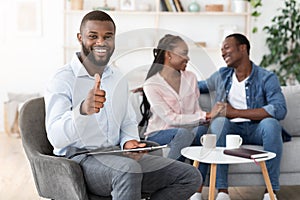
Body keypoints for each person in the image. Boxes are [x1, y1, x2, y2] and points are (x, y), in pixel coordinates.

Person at [44, 10, 202, 200]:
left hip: (117, 154)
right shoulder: (63, 79)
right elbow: (56, 139)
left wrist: (128, 142)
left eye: (107, 37)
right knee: (128, 170)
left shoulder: (117, 77)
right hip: (80, 159)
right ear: (80, 38)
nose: (101, 43)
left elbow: (127, 120)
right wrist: (82, 111)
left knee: (189, 176)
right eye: (93, 36)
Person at [198, 33, 291, 200]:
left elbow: (279, 109)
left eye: (227, 47)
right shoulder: (222, 75)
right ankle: (222, 191)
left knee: (271, 124)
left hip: (257, 129)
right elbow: (197, 86)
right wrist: (160, 83)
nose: (223, 53)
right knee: (219, 122)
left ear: (243, 48)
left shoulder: (266, 77)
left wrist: (235, 112)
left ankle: (270, 192)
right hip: (230, 130)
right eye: (221, 50)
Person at [140, 34, 224, 200]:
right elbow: (170, 118)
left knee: (204, 133)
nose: (188, 57)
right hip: (160, 133)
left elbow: (195, 111)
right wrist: (206, 114)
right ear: (168, 54)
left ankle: (196, 192)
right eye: (183, 53)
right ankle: (163, 184)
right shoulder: (151, 84)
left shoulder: (191, 78)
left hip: (188, 131)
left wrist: (206, 119)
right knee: (183, 134)